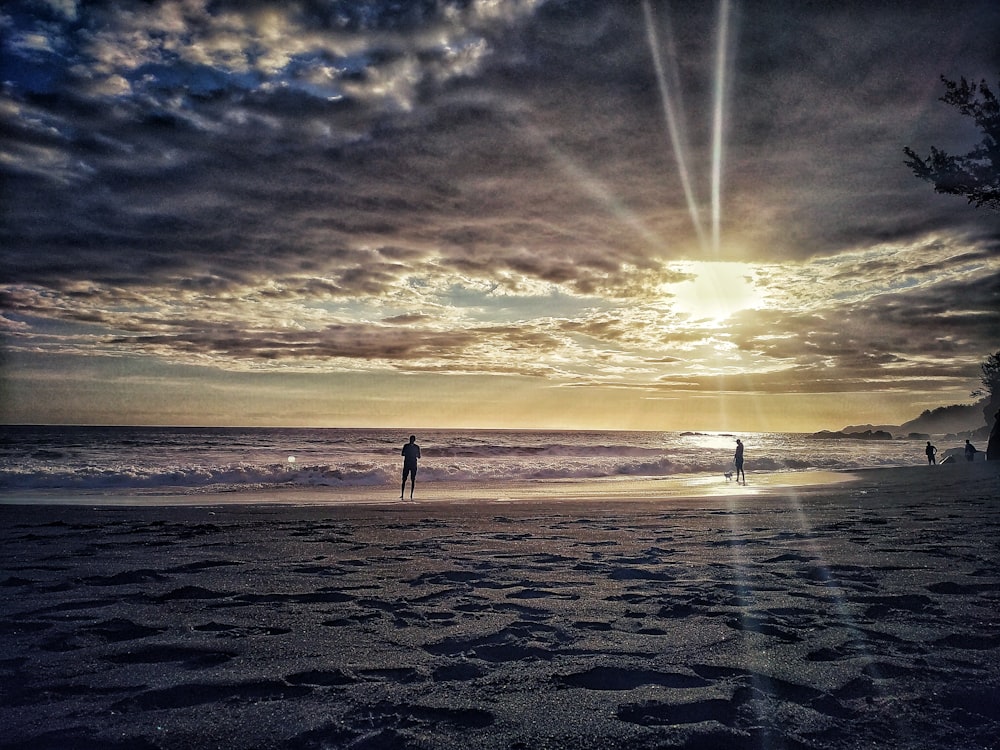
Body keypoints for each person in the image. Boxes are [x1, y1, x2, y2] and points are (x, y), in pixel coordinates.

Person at [400, 435, 421, 500]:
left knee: (413, 479)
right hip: (407, 464)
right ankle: (402, 494)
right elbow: (402, 454)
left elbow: (419, 456)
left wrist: (415, 455)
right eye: (411, 439)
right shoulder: (406, 446)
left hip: (413, 464)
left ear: (414, 440)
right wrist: (408, 454)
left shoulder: (416, 447)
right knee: (404, 479)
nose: (411, 440)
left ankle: (411, 494)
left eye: (412, 439)